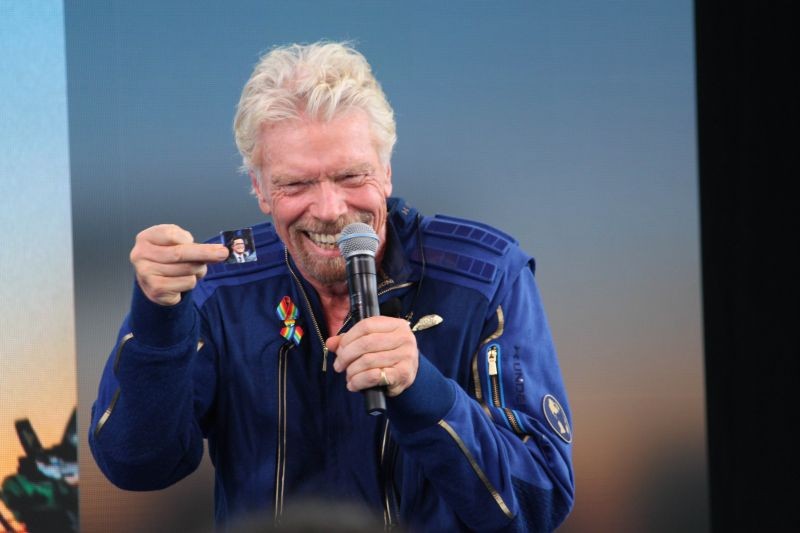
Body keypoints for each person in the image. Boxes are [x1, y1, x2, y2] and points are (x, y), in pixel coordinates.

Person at [89, 42, 574, 532]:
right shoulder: (218, 286)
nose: (329, 209)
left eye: (350, 176)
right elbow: (137, 465)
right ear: (259, 189)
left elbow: (541, 501)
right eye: (296, 184)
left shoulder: (486, 275)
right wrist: (158, 319)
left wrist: (423, 390)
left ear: (386, 172)